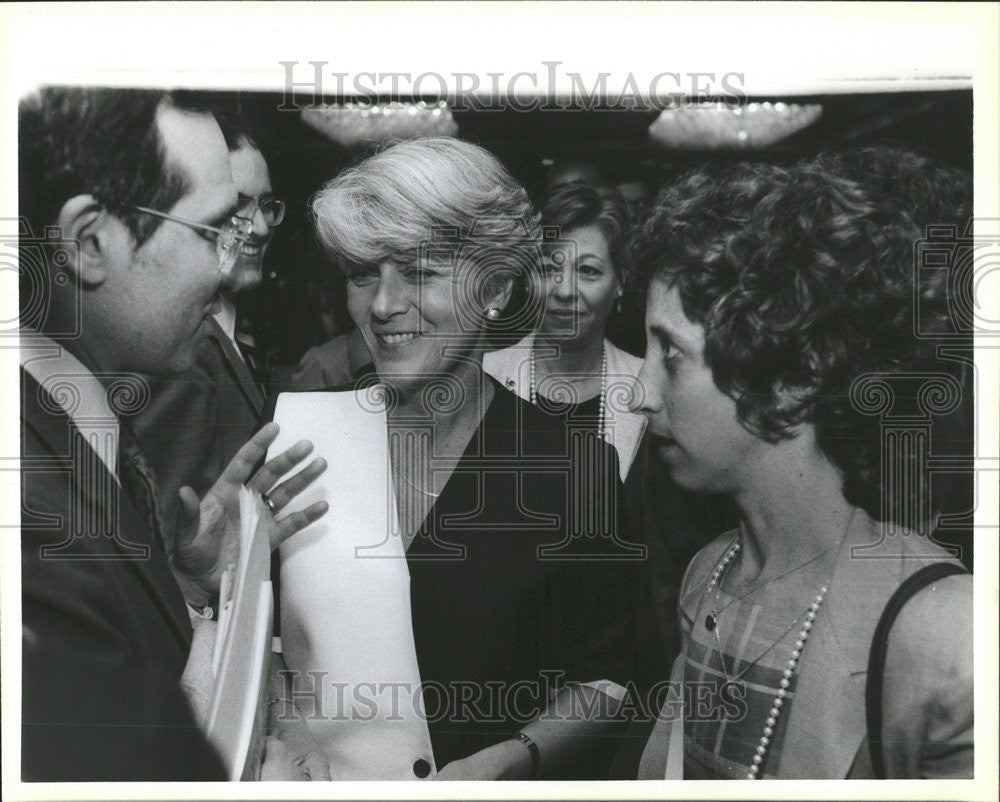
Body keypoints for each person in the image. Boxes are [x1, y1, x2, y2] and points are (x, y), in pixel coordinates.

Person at [273, 137, 649, 780]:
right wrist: (288, 724)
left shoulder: (572, 468)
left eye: (418, 272)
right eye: (365, 272)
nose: (384, 304)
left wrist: (513, 759)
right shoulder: (298, 439)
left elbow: (611, 678)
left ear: (497, 286)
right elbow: (260, 641)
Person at [630, 149, 973, 779]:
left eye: (670, 354)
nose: (640, 391)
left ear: (790, 376)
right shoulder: (710, 575)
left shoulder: (942, 628)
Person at [18, 87, 327, 781]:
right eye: (213, 230)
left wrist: (186, 590)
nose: (229, 267)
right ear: (89, 242)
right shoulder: (27, 508)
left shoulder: (70, 415)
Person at [133, 114, 285, 542]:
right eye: (236, 206)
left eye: (267, 206)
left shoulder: (229, 330)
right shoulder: (174, 349)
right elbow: (159, 533)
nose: (258, 226)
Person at [485, 181, 646, 479]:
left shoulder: (647, 387)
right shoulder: (485, 378)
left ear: (620, 282)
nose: (565, 291)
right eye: (548, 269)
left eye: (588, 271)